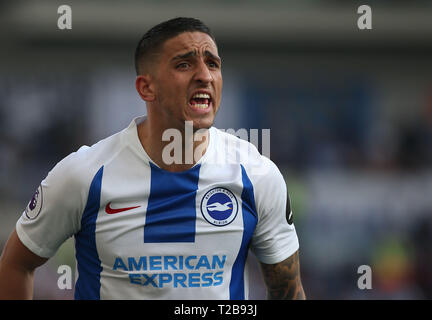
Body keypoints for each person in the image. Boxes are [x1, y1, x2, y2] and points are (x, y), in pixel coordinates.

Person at [0, 17, 305, 300]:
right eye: (184, 64)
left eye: (213, 63)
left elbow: (287, 290)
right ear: (147, 87)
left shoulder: (257, 174)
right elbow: (17, 264)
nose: (204, 76)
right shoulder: (84, 174)